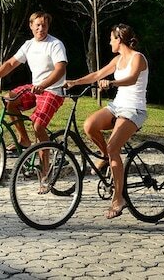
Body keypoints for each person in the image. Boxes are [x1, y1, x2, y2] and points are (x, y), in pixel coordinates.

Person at [64, 24, 148, 219]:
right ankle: (105, 156)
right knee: (89, 125)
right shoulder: (117, 60)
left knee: (113, 148)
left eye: (111, 39)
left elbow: (131, 79)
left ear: (119, 39)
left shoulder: (138, 58)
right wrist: (75, 82)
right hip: (117, 106)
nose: (110, 42)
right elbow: (97, 75)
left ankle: (118, 198)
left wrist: (111, 83)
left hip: (134, 110)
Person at [0, 12, 68, 154]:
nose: (41, 29)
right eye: (38, 25)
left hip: (53, 90)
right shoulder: (29, 45)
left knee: (38, 126)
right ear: (31, 25)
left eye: (44, 25)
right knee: (9, 99)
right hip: (35, 88)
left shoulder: (55, 44)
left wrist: (43, 85)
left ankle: (45, 165)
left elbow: (60, 69)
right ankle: (24, 140)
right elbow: (11, 63)